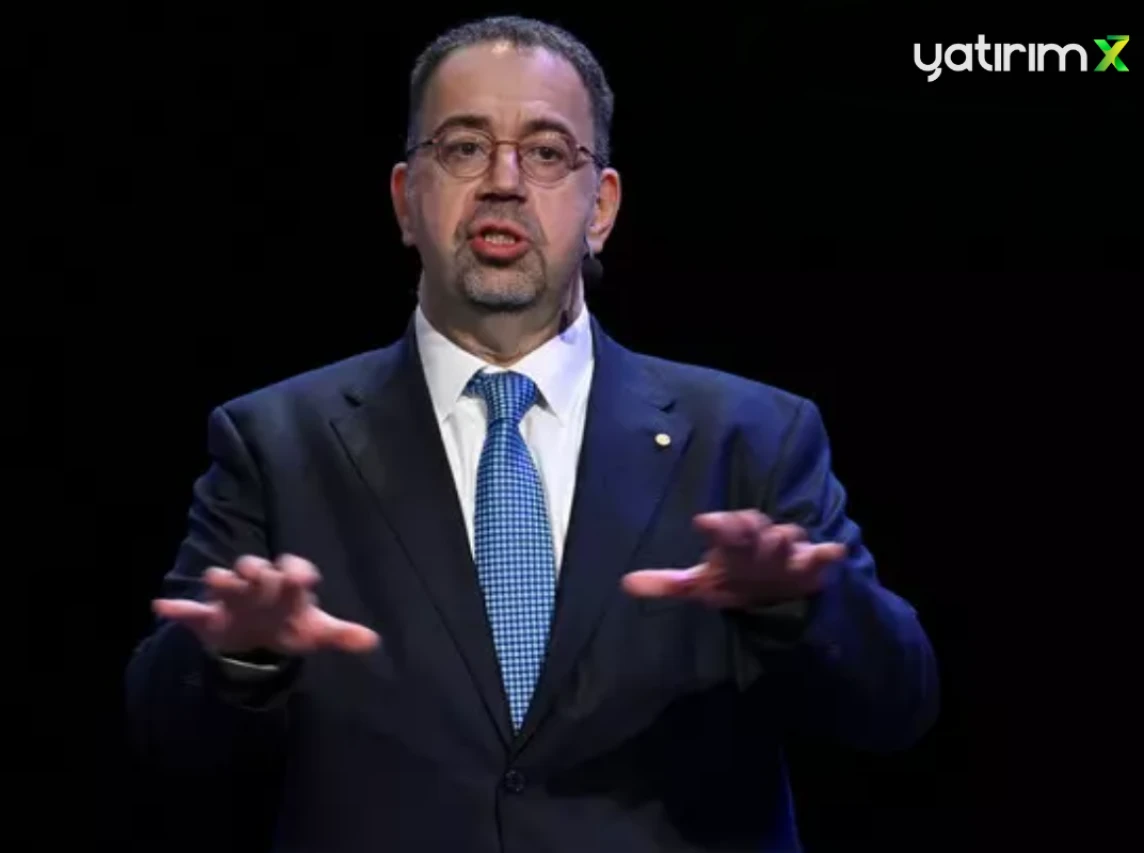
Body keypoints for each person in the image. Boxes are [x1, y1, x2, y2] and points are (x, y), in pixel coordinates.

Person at [124, 15, 938, 852]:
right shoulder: (276, 441)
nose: (504, 181)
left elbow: (896, 707)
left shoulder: (751, 437)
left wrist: (801, 607)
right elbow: (163, 737)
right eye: (464, 147)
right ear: (406, 199)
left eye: (547, 152)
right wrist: (240, 656)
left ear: (601, 208)